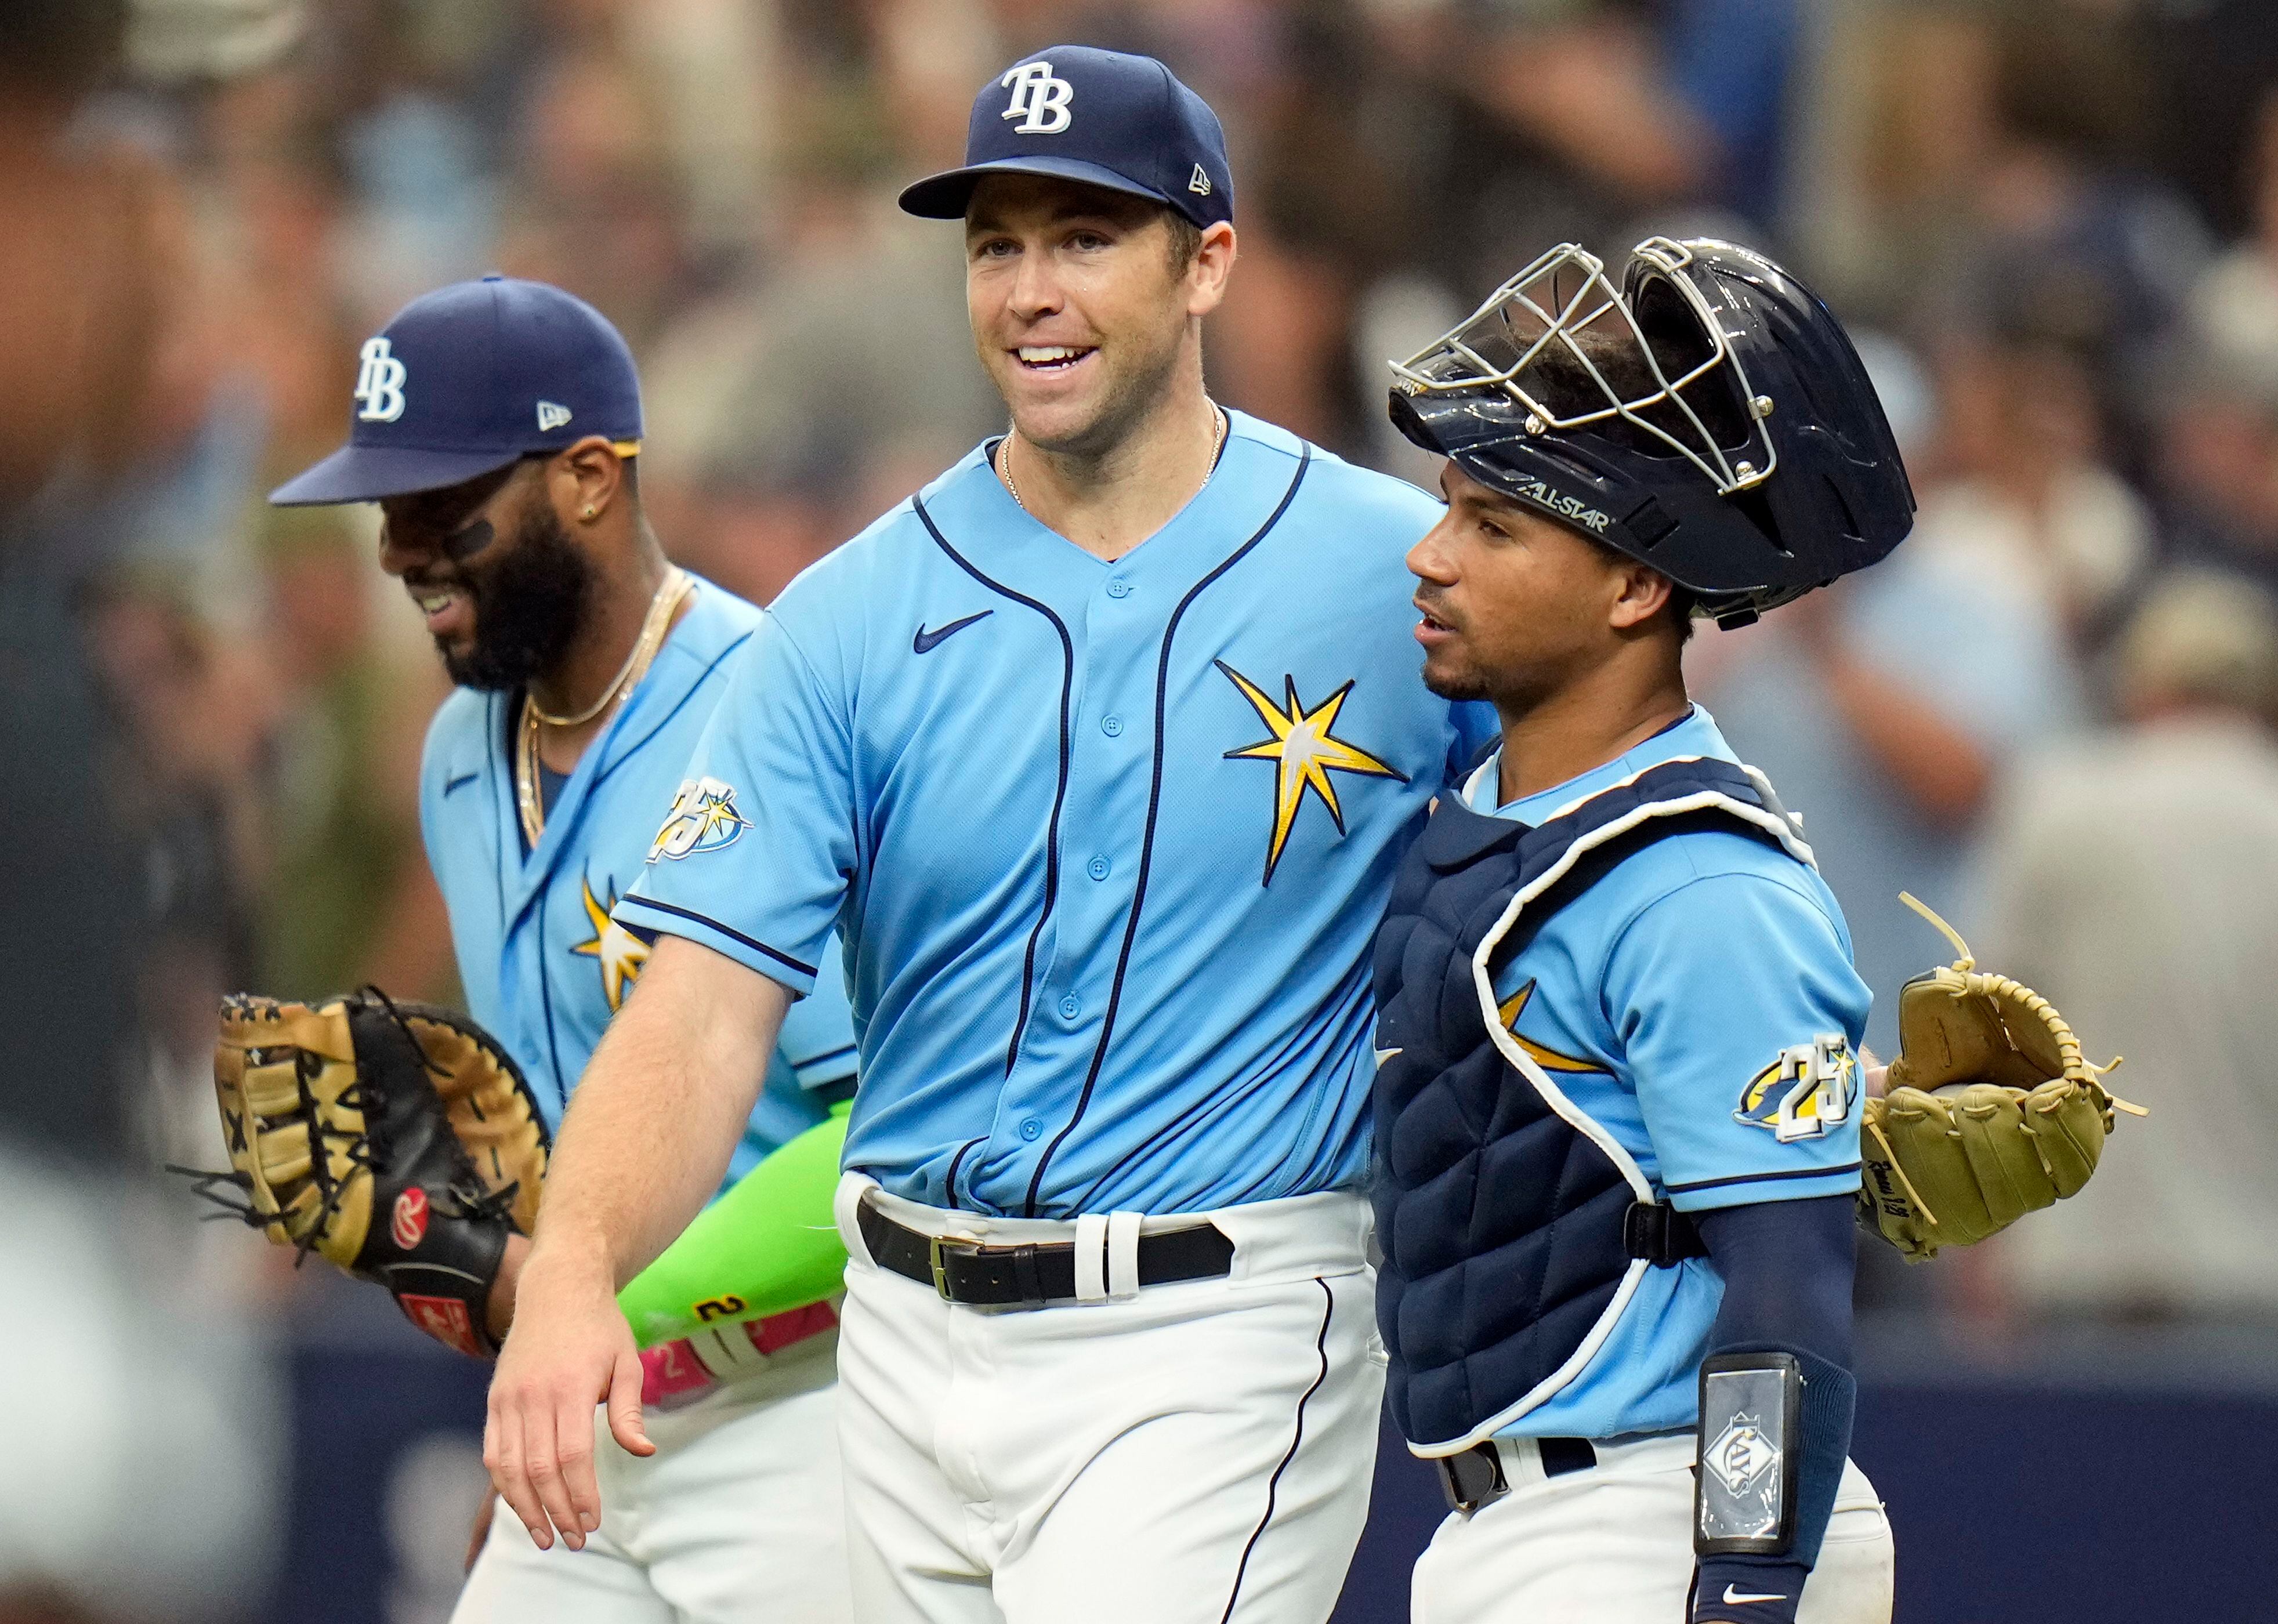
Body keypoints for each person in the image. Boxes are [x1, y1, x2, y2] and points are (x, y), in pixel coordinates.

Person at [486, 45, 1500, 1623]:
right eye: (996, 244)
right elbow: (694, 1017)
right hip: (896, 1338)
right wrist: (569, 1266)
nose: (1032, 290)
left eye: (1085, 238)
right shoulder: (845, 617)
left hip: (1213, 1326)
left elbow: (1615, 827)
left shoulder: (1403, 574)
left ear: (1208, 259)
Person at [266, 276, 861, 1623]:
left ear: (588, 477)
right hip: (594, 1416)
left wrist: (578, 1314)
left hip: (800, 1412)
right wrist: (540, 1369)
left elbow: (879, 1133)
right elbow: (558, 1133)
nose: (398, 550)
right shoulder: (458, 756)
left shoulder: (766, 713)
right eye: (384, 508)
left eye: (443, 504)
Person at [1370, 237, 1911, 1622]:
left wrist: (1740, 1580)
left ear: (1632, 587)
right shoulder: (1502, 805)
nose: (1431, 555)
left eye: (1497, 524)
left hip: (1653, 1520)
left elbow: (1787, 1291)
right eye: (1448, 506)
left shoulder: (1701, 887)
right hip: (1535, 1519)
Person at [1973, 569, 2278, 1325]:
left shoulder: (2053, 811)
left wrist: (1976, 1244)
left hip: (2070, 1273)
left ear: (2144, 685)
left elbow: (1982, 1035)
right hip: (2273, 1282)